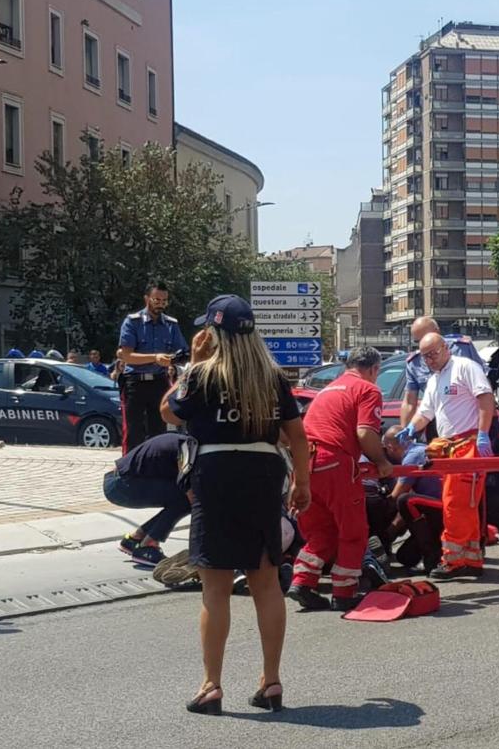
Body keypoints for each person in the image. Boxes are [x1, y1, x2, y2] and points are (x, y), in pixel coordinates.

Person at [160, 294, 310, 716]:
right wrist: (303, 482)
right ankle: (272, 681)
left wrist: (190, 362)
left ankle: (211, 686)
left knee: (215, 587)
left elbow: (168, 413)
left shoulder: (203, 375)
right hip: (263, 474)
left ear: (214, 332)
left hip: (216, 475)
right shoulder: (274, 377)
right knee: (265, 581)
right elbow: (298, 437)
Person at [288, 346, 393, 612]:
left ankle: (302, 581)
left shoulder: (327, 389)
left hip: (307, 464)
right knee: (353, 531)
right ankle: (344, 592)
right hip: (336, 463)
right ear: (373, 369)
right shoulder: (368, 390)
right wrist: (381, 462)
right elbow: (365, 433)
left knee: (322, 531)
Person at [396, 332, 494, 579]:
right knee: (465, 506)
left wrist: (483, 433)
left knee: (456, 504)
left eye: (433, 354)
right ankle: (470, 559)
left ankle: (453, 560)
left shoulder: (465, 368)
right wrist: (411, 428)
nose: (429, 360)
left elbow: (485, 399)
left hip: (467, 444)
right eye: (425, 356)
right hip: (449, 448)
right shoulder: (434, 380)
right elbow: (425, 413)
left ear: (445, 348)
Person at [118, 281, 189, 453]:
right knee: (133, 431)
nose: (161, 304)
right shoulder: (133, 322)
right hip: (135, 382)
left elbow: (183, 353)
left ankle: (155, 469)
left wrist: (173, 360)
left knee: (158, 431)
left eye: (164, 301)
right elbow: (125, 355)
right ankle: (128, 470)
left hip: (159, 382)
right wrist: (155, 358)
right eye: (156, 300)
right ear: (147, 299)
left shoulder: (171, 325)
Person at [106, 432, 194, 566]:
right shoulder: (187, 448)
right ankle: (148, 546)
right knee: (185, 500)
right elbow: (190, 493)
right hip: (120, 484)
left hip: (118, 480)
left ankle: (135, 539)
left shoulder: (186, 442)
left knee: (181, 498)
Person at [399, 316, 487, 427]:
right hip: (436, 422)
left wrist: (484, 430)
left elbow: (484, 390)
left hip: (470, 422)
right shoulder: (414, 363)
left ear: (437, 332)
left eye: (425, 337)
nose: (423, 343)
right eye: (418, 341)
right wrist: (404, 430)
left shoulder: (461, 350)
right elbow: (410, 402)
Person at [382, 427, 444, 572]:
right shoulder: (420, 449)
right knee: (406, 557)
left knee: (405, 501)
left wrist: (385, 533)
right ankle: (436, 548)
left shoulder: (412, 457)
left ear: (390, 447)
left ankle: (432, 556)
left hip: (441, 509)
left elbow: (396, 496)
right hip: (436, 509)